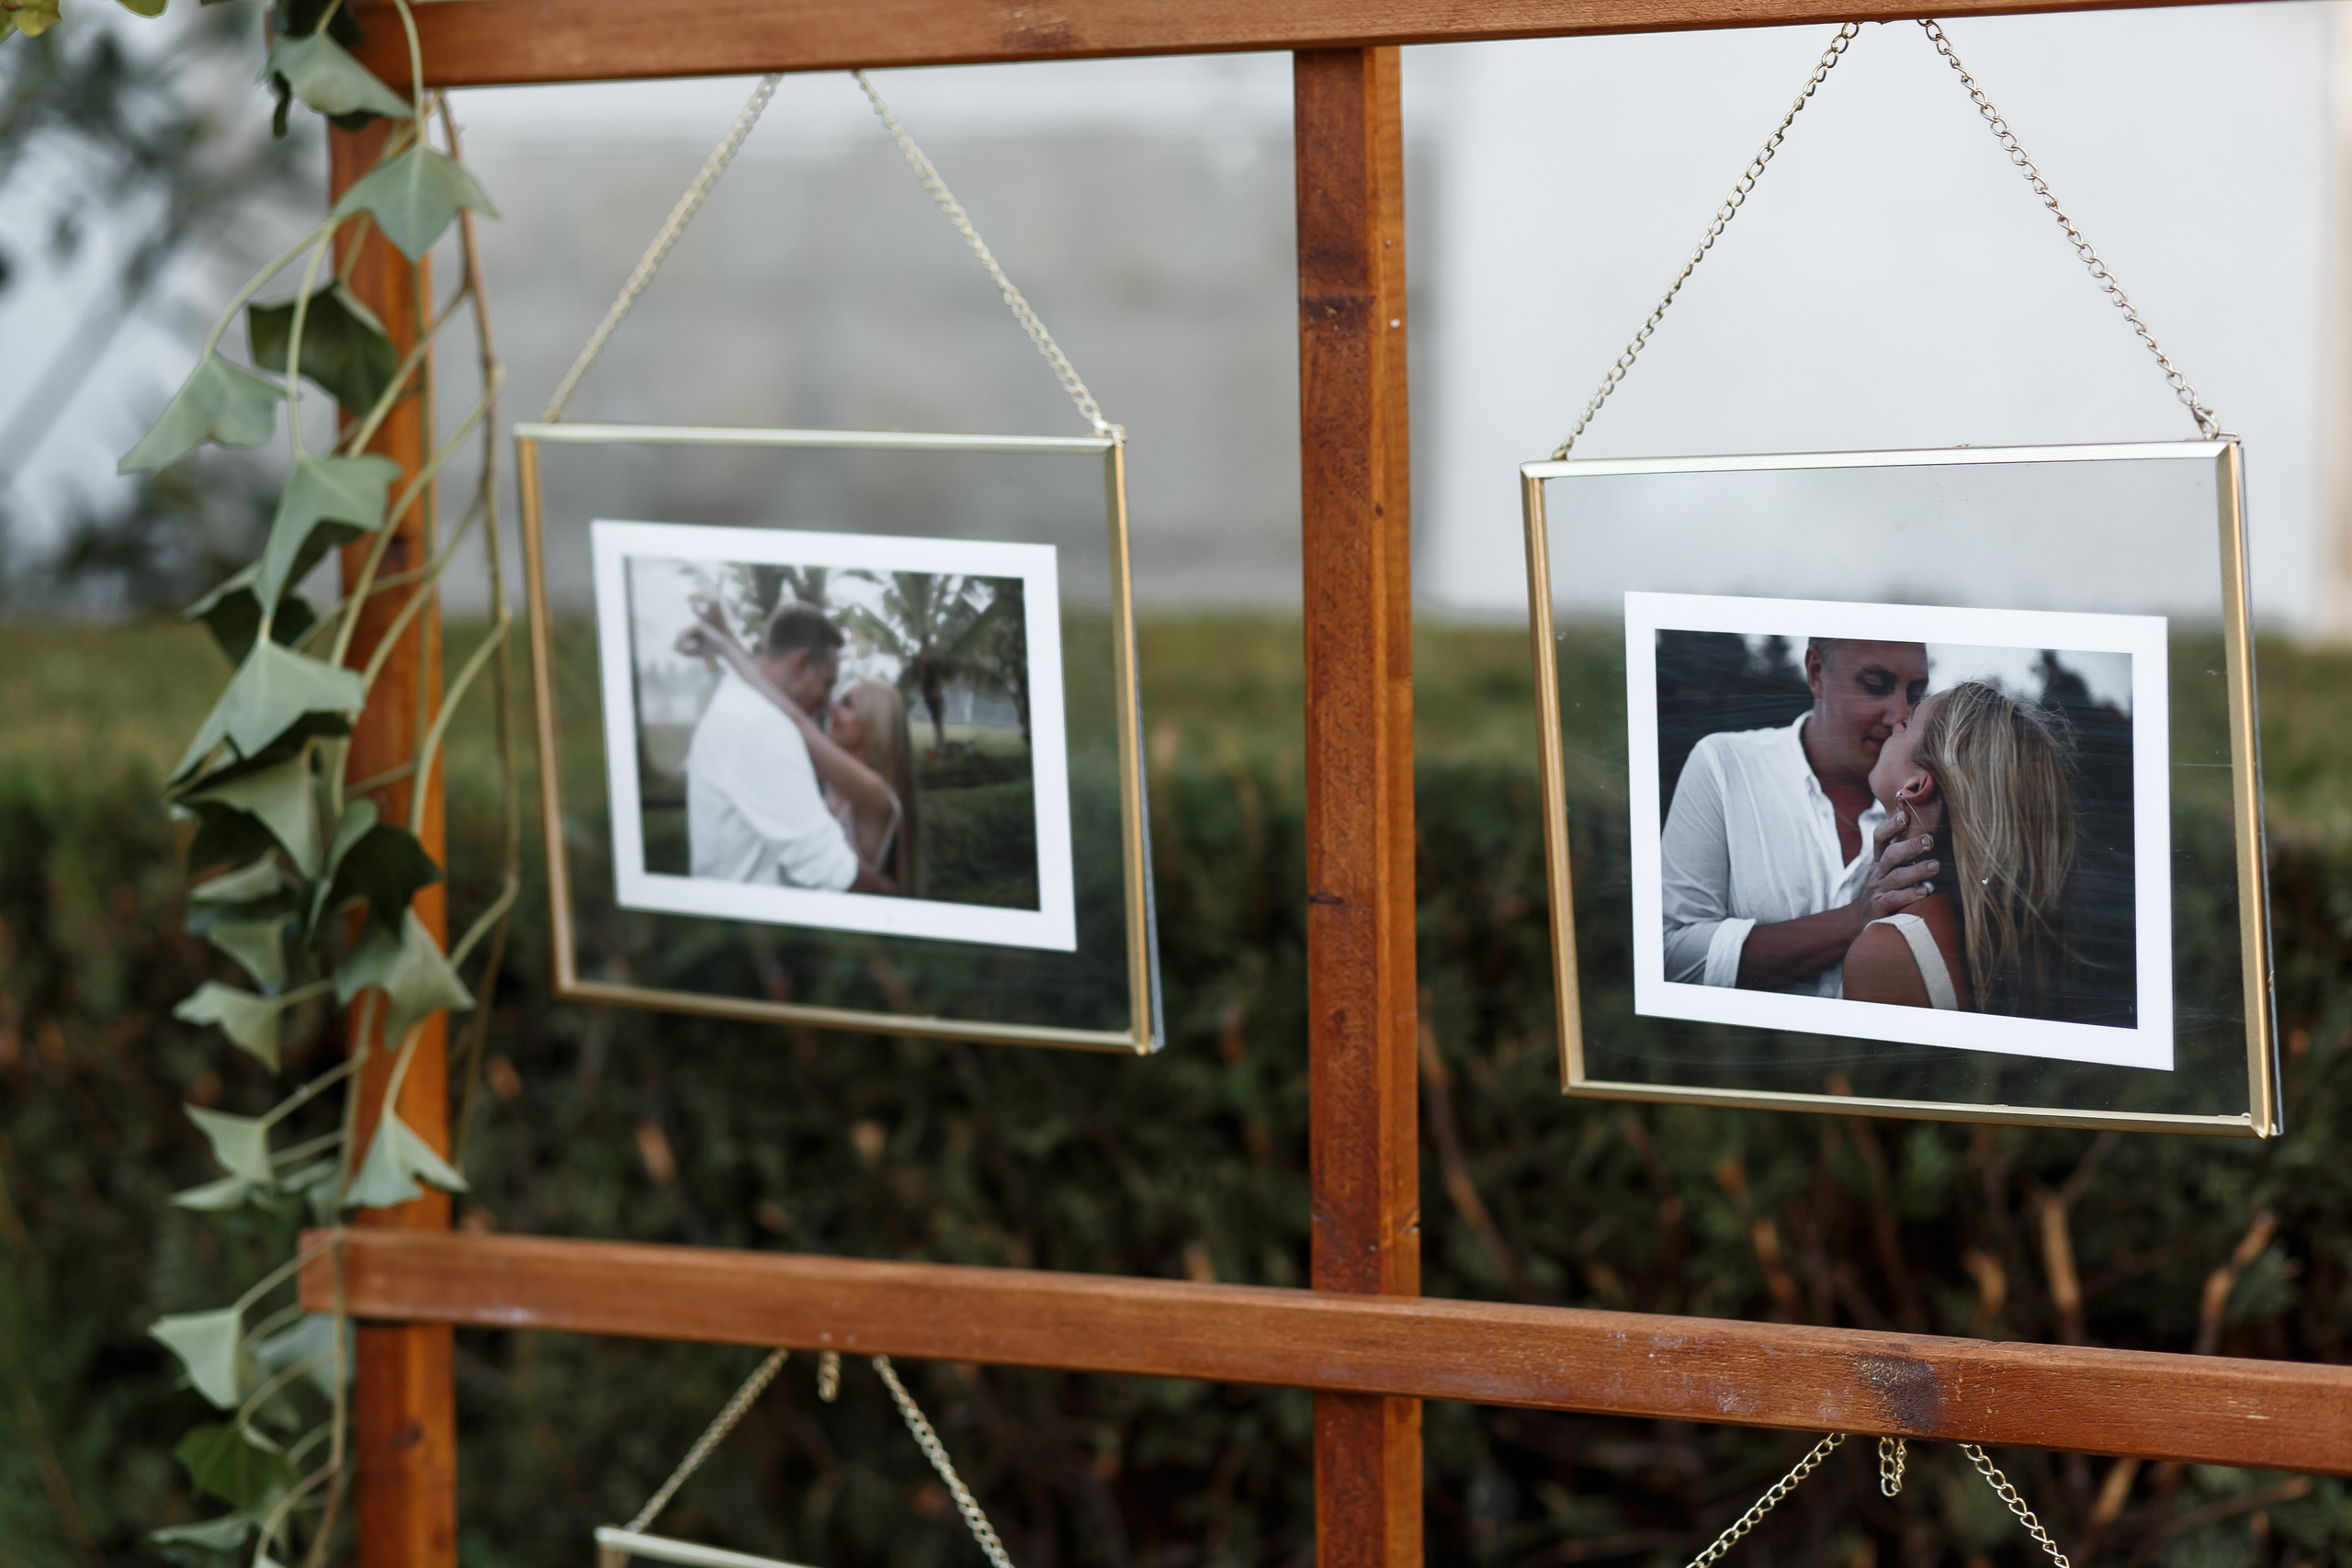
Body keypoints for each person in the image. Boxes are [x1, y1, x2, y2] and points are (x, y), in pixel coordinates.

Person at [1659, 637, 1939, 996]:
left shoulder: (1930, 801)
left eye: (1915, 695)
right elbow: (1672, 957)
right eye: (1876, 686)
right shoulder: (1724, 765)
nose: (1901, 715)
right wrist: (1854, 919)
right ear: (1816, 672)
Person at [1841, 681, 2077, 1014]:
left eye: (1907, 726)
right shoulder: (2004, 928)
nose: (1896, 722)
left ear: (1916, 785)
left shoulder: (1888, 949)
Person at [681, 600, 900, 894]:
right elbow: (788, 713)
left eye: (846, 703)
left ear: (877, 733)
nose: (828, 704)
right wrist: (726, 642)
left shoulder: (873, 794)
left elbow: (794, 718)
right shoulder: (761, 726)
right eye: (828, 685)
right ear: (802, 664)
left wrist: (726, 644)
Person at [826, 678, 922, 896]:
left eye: (847, 705)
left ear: (874, 725)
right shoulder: (834, 785)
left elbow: (801, 728)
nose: (831, 708)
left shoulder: (875, 795)